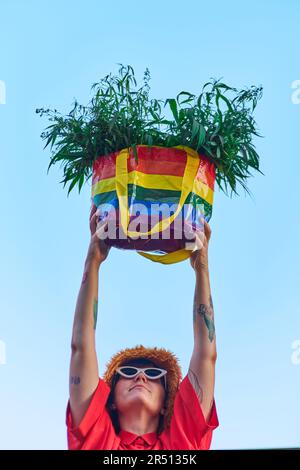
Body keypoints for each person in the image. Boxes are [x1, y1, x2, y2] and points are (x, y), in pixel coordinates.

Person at [66, 204, 219, 450]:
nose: (140, 376)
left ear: (165, 403)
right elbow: (80, 348)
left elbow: (206, 356)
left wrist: (201, 267)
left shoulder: (182, 441)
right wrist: (92, 261)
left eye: (154, 374)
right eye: (126, 372)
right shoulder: (97, 438)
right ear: (111, 399)